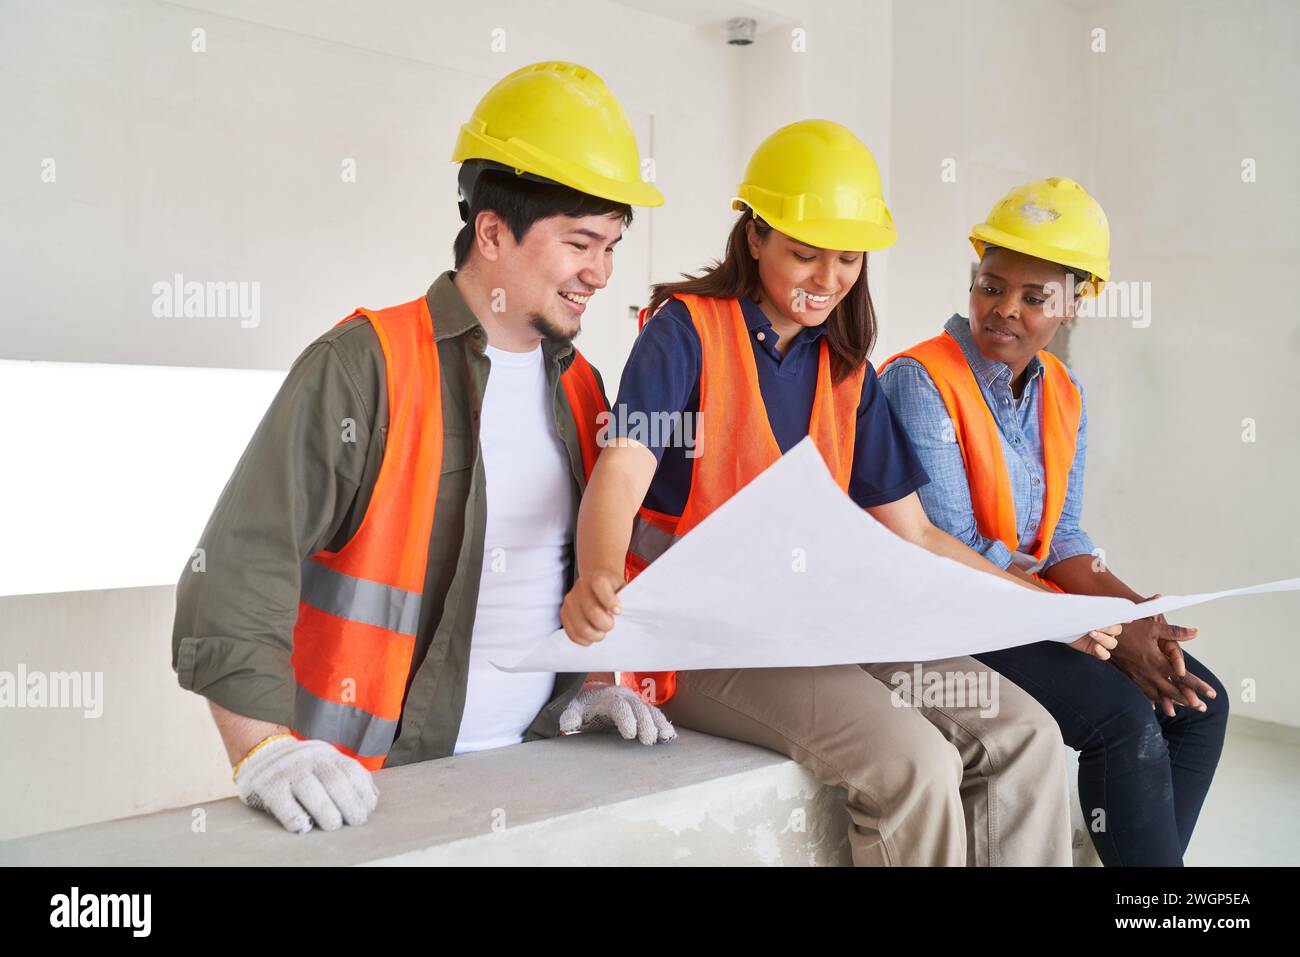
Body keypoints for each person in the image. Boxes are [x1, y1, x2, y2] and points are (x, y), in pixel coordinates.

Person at [560, 120, 1121, 866]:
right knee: (916, 768)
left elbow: (915, 534)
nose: (828, 278)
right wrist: (598, 572)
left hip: (820, 624)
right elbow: (623, 468)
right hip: (699, 639)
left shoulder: (847, 368)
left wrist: (1042, 609)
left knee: (1027, 735)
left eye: (849, 257)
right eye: (804, 252)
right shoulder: (685, 332)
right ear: (754, 237)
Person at [171, 61, 674, 836]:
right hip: (370, 799)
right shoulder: (366, 365)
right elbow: (239, 564)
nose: (601, 272)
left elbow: (562, 578)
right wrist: (266, 750)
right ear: (493, 232)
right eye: (581, 242)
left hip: (534, 779)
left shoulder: (581, 389)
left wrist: (591, 684)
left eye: (611, 245)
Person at [878, 176, 1228, 865]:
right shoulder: (920, 381)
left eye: (1035, 298)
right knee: (1122, 721)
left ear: (1072, 305)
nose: (1003, 309)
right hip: (953, 611)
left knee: (1198, 704)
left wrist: (1134, 613)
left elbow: (1062, 537)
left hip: (1029, 607)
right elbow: (958, 553)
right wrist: (1085, 622)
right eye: (990, 284)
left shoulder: (1062, 394)